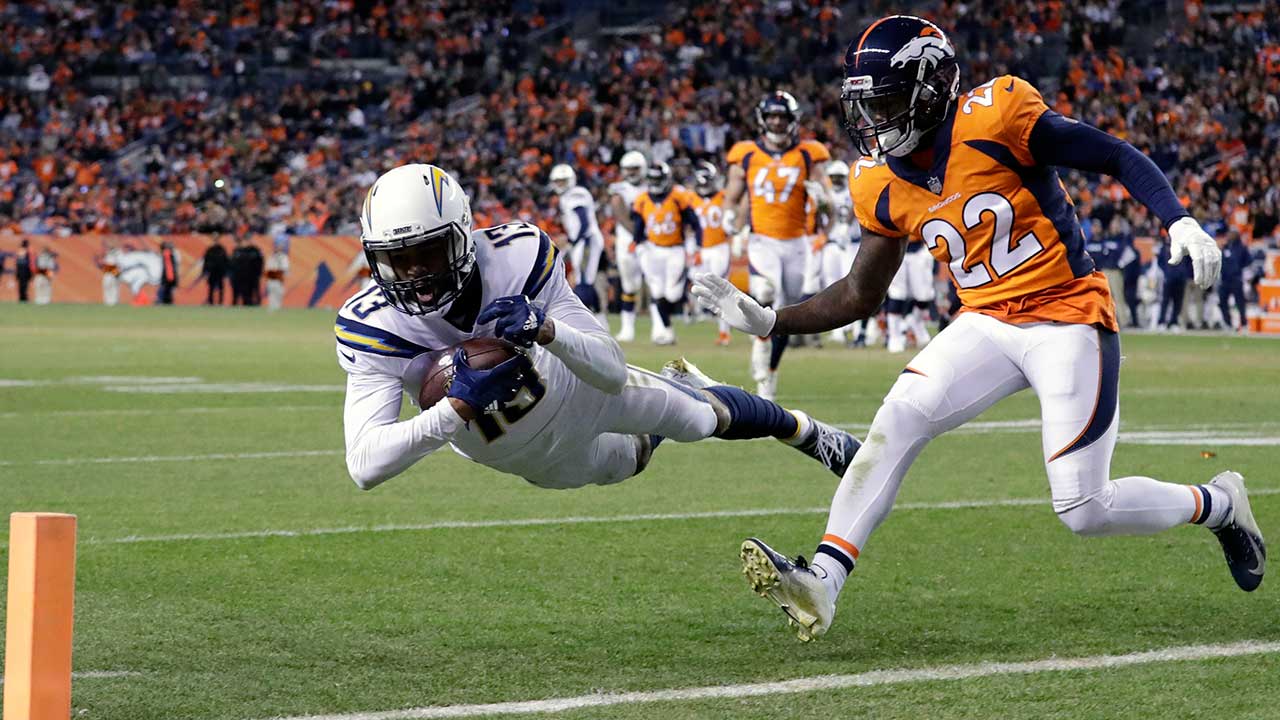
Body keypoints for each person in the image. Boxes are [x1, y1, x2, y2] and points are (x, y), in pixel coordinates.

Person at [693, 16, 1262, 642]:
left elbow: (1113, 154)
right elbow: (861, 293)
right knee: (898, 418)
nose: (872, 121)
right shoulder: (877, 180)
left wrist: (1177, 219)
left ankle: (1220, 503)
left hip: (1066, 314)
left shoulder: (997, 117)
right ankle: (823, 582)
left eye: (884, 103)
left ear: (929, 89)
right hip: (986, 320)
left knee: (1082, 509)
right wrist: (774, 320)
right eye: (864, 105)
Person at [337, 163, 859, 495]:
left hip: (583, 391)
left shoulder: (517, 257)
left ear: (464, 235)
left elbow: (608, 370)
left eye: (428, 253)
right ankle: (683, 385)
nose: (417, 275)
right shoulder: (373, 325)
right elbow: (365, 464)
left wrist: (546, 330)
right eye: (397, 260)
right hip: (528, 460)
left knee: (701, 422)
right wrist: (454, 410)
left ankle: (808, 432)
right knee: (635, 457)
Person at [724, 91, 832, 400]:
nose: (775, 122)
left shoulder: (809, 153)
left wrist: (823, 201)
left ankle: (769, 373)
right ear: (762, 119)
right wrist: (731, 220)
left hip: (796, 241)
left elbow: (827, 204)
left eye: (781, 117)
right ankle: (760, 345)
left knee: (786, 313)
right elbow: (733, 195)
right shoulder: (745, 153)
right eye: (771, 116)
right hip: (762, 239)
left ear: (792, 120)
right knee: (766, 292)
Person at [631, 162, 701, 345]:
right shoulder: (642, 199)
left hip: (675, 249)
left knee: (672, 295)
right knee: (657, 291)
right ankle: (666, 331)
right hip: (652, 249)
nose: (654, 183)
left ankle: (684, 297)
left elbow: (694, 221)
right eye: (652, 179)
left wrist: (698, 245)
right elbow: (638, 225)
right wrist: (635, 242)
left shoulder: (678, 196)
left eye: (657, 179)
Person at [549, 164, 607, 328]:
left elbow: (583, 221)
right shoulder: (568, 196)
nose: (560, 184)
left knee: (584, 281)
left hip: (586, 240)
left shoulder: (576, 194)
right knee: (585, 280)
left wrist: (574, 241)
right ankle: (601, 321)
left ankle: (584, 323)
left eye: (563, 181)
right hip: (582, 240)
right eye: (558, 181)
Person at [607, 151, 648, 342]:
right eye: (628, 169)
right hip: (628, 240)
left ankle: (660, 327)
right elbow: (619, 211)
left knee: (655, 285)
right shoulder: (619, 189)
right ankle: (627, 328)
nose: (631, 172)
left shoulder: (651, 185)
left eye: (635, 168)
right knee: (629, 284)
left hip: (650, 239)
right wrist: (636, 233)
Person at [691, 161, 733, 346]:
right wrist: (694, 248)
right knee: (701, 286)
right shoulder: (691, 198)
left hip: (719, 247)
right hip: (702, 249)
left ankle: (725, 332)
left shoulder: (724, 197)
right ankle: (700, 315)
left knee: (720, 289)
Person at [1218, 232, 1249, 331]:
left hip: (1236, 279)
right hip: (1224, 280)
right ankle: (1228, 323)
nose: (1229, 236)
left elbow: (1248, 262)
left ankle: (1244, 324)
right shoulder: (1225, 247)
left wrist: (1239, 271)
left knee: (1240, 303)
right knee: (1222, 302)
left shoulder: (1242, 248)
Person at [202, 235, 229, 305]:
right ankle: (211, 302)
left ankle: (220, 302)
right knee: (211, 287)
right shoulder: (209, 250)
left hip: (220, 272)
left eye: (216, 239)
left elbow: (226, 261)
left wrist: (226, 272)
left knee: (221, 288)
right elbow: (206, 261)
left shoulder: (222, 249)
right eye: (214, 239)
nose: (215, 241)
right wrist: (205, 271)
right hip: (212, 272)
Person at [265, 237, 290, 311]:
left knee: (279, 295)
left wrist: (283, 274)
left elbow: (285, 269)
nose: (279, 247)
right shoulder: (271, 257)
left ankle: (277, 310)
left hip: (279, 280)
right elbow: (268, 269)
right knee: (272, 296)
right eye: (278, 246)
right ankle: (272, 310)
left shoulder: (284, 257)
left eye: (281, 246)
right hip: (272, 280)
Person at [100, 240, 122, 306]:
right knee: (106, 286)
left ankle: (114, 301)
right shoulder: (108, 253)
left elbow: (118, 263)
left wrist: (117, 273)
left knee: (114, 287)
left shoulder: (118, 252)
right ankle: (107, 301)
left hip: (114, 271)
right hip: (107, 271)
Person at [14, 239, 33, 303]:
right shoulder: (24, 250)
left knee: (22, 285)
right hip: (24, 270)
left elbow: (17, 261)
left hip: (21, 270)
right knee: (23, 285)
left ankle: (22, 297)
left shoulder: (20, 250)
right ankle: (23, 297)